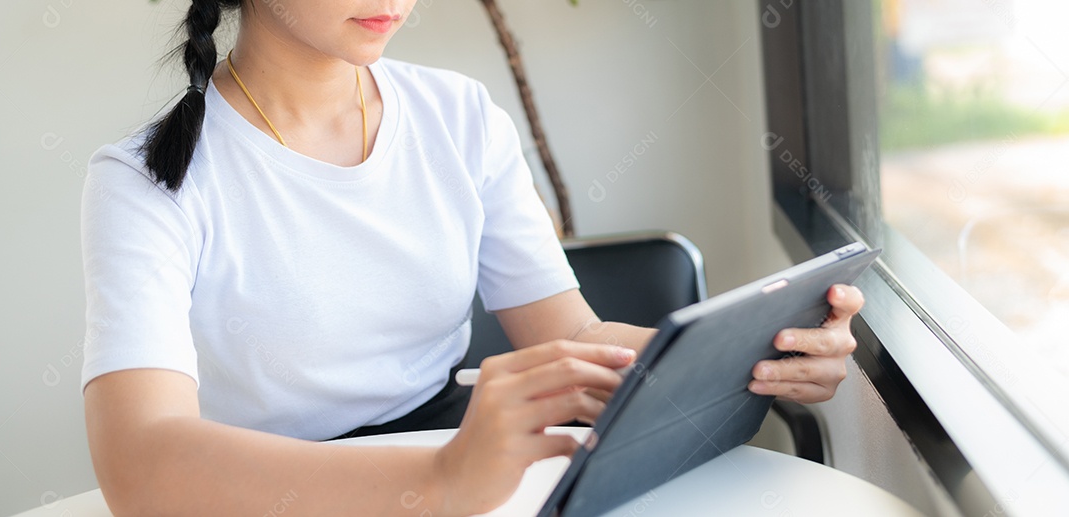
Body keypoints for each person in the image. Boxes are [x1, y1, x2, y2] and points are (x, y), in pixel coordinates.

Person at [81, 1, 865, 515]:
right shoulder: (147, 179)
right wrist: (441, 480)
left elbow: (575, 334)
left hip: (459, 467)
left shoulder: (456, 115)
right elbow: (140, 462)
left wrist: (759, 352)